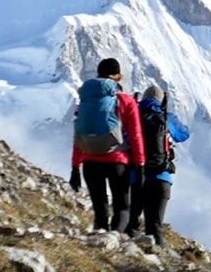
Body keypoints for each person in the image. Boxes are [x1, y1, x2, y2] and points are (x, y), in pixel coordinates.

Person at [69, 58, 145, 232]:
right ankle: (115, 241)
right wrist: (140, 164)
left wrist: (75, 167)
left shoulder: (86, 100)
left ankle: (100, 242)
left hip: (89, 162)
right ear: (118, 76)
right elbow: (136, 135)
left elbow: (79, 134)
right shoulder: (126, 101)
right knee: (122, 208)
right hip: (117, 162)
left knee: (100, 211)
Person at [126, 84, 189, 247]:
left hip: (136, 177)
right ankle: (158, 257)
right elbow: (184, 134)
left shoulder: (134, 114)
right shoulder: (166, 117)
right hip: (162, 178)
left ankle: (127, 254)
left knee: (130, 223)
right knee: (155, 227)